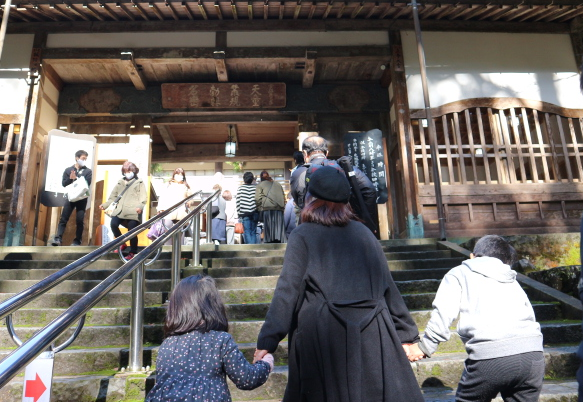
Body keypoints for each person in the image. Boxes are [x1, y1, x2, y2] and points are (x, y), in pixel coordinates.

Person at [254, 166, 424, 402]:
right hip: (373, 330)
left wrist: (268, 341)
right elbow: (387, 285)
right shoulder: (364, 233)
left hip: (323, 335)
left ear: (311, 199)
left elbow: (288, 290)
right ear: (346, 201)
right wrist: (407, 334)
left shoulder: (303, 235)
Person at [407, 235, 545, 402]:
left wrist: (424, 347)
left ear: (473, 256)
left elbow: (444, 313)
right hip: (533, 355)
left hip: (491, 357)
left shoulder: (459, 273)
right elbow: (530, 315)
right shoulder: (512, 278)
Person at [145, 275, 273, 402]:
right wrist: (266, 364)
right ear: (214, 306)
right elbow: (246, 379)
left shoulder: (167, 344)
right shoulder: (220, 340)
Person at [290, 136, 378, 234]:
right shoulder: (345, 168)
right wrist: (362, 215)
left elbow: (299, 200)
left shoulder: (299, 173)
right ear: (327, 153)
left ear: (305, 154)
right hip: (344, 224)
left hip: (312, 228)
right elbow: (369, 190)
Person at [99, 161, 147, 261]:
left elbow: (143, 197)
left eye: (129, 171)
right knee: (113, 224)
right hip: (119, 211)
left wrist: (140, 207)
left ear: (134, 171)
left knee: (132, 231)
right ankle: (122, 244)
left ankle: (133, 252)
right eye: (125, 171)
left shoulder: (139, 183)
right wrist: (105, 205)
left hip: (133, 211)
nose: (127, 173)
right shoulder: (120, 182)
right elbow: (112, 197)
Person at [52, 150, 92, 246]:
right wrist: (71, 178)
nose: (84, 160)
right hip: (70, 197)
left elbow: (87, 184)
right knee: (64, 218)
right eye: (83, 158)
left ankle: (77, 240)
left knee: (79, 219)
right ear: (77, 158)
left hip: (81, 198)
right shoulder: (68, 170)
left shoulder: (88, 171)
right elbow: (64, 184)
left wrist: (76, 178)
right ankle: (58, 238)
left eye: (85, 159)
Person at [156, 168, 192, 244]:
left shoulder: (186, 186)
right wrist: (160, 209)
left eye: (181, 175)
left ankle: (180, 254)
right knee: (167, 233)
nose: (179, 176)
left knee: (180, 235)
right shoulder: (168, 185)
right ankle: (168, 252)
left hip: (181, 214)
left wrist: (188, 203)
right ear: (174, 175)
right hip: (169, 212)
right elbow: (162, 197)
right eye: (177, 174)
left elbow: (190, 199)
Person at [255, 170, 286, 243]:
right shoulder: (278, 184)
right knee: (278, 229)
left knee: (269, 228)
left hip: (267, 209)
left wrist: (260, 208)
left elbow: (257, 199)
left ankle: (269, 241)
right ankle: (279, 241)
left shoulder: (260, 185)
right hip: (279, 209)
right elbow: (283, 196)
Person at [236, 172, 258, 244]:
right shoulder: (256, 188)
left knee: (247, 231)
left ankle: (250, 249)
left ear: (244, 179)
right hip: (254, 213)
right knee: (253, 232)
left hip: (244, 214)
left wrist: (239, 213)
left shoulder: (240, 188)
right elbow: (258, 200)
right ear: (252, 179)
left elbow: (238, 202)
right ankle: (254, 249)